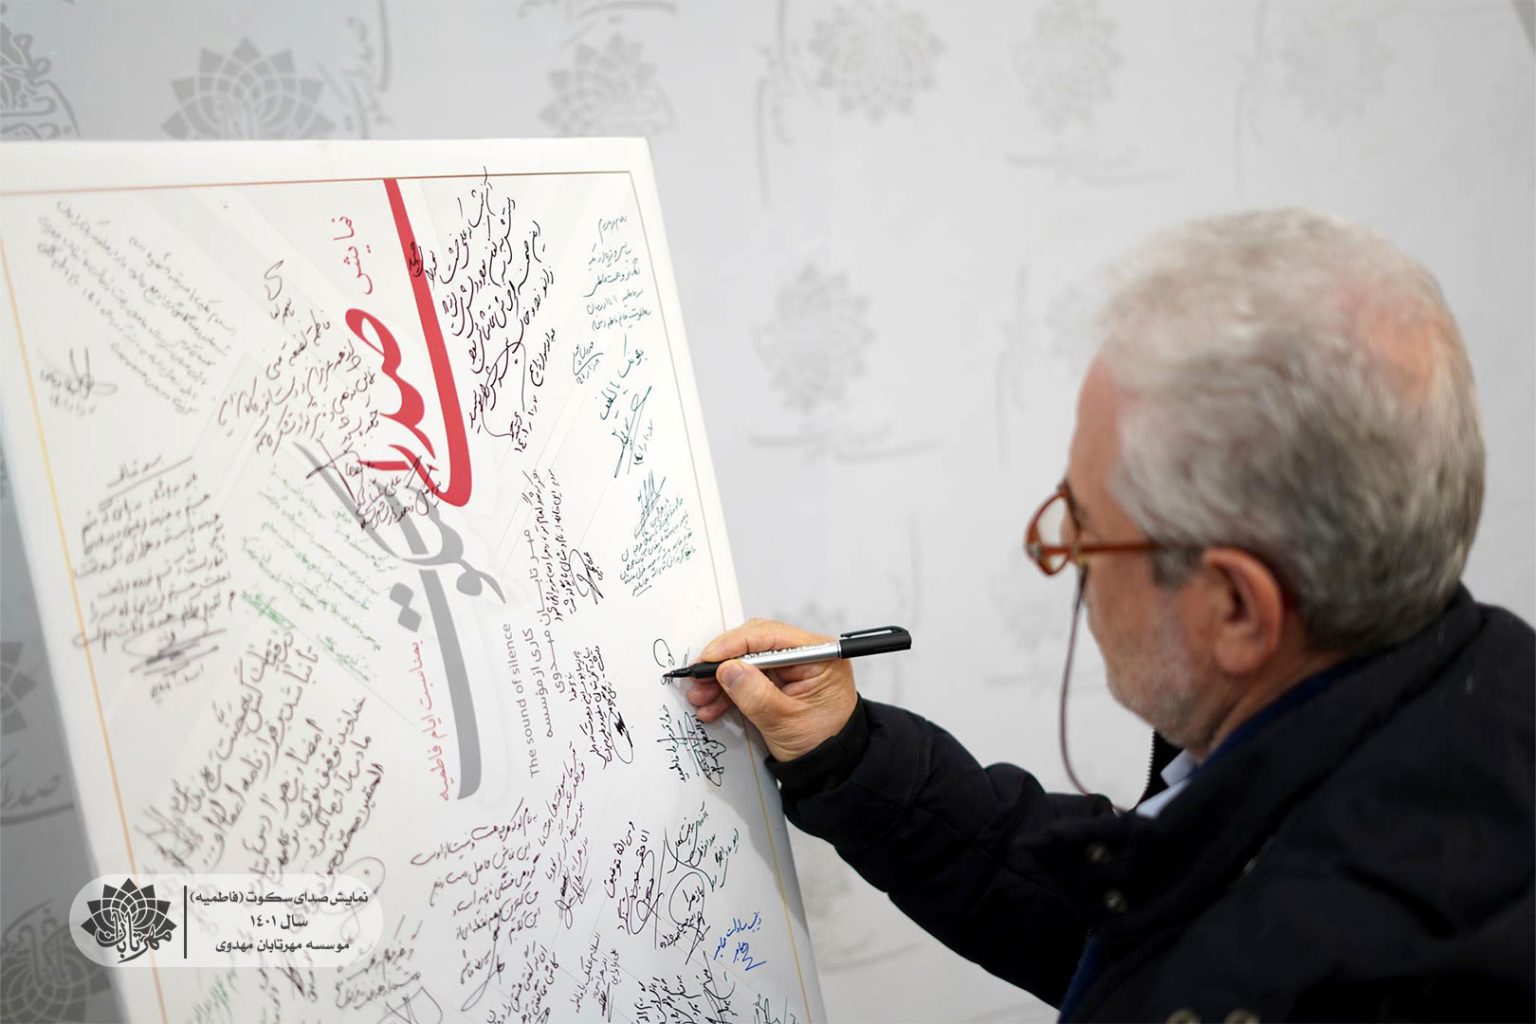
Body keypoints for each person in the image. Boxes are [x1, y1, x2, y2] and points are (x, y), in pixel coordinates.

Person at [687, 209, 1535, 1022]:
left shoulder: (1314, 978)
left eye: (1084, 527)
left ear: (1237, 610)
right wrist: (850, 754)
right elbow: (1132, 916)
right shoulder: (1470, 690)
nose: (1064, 553)